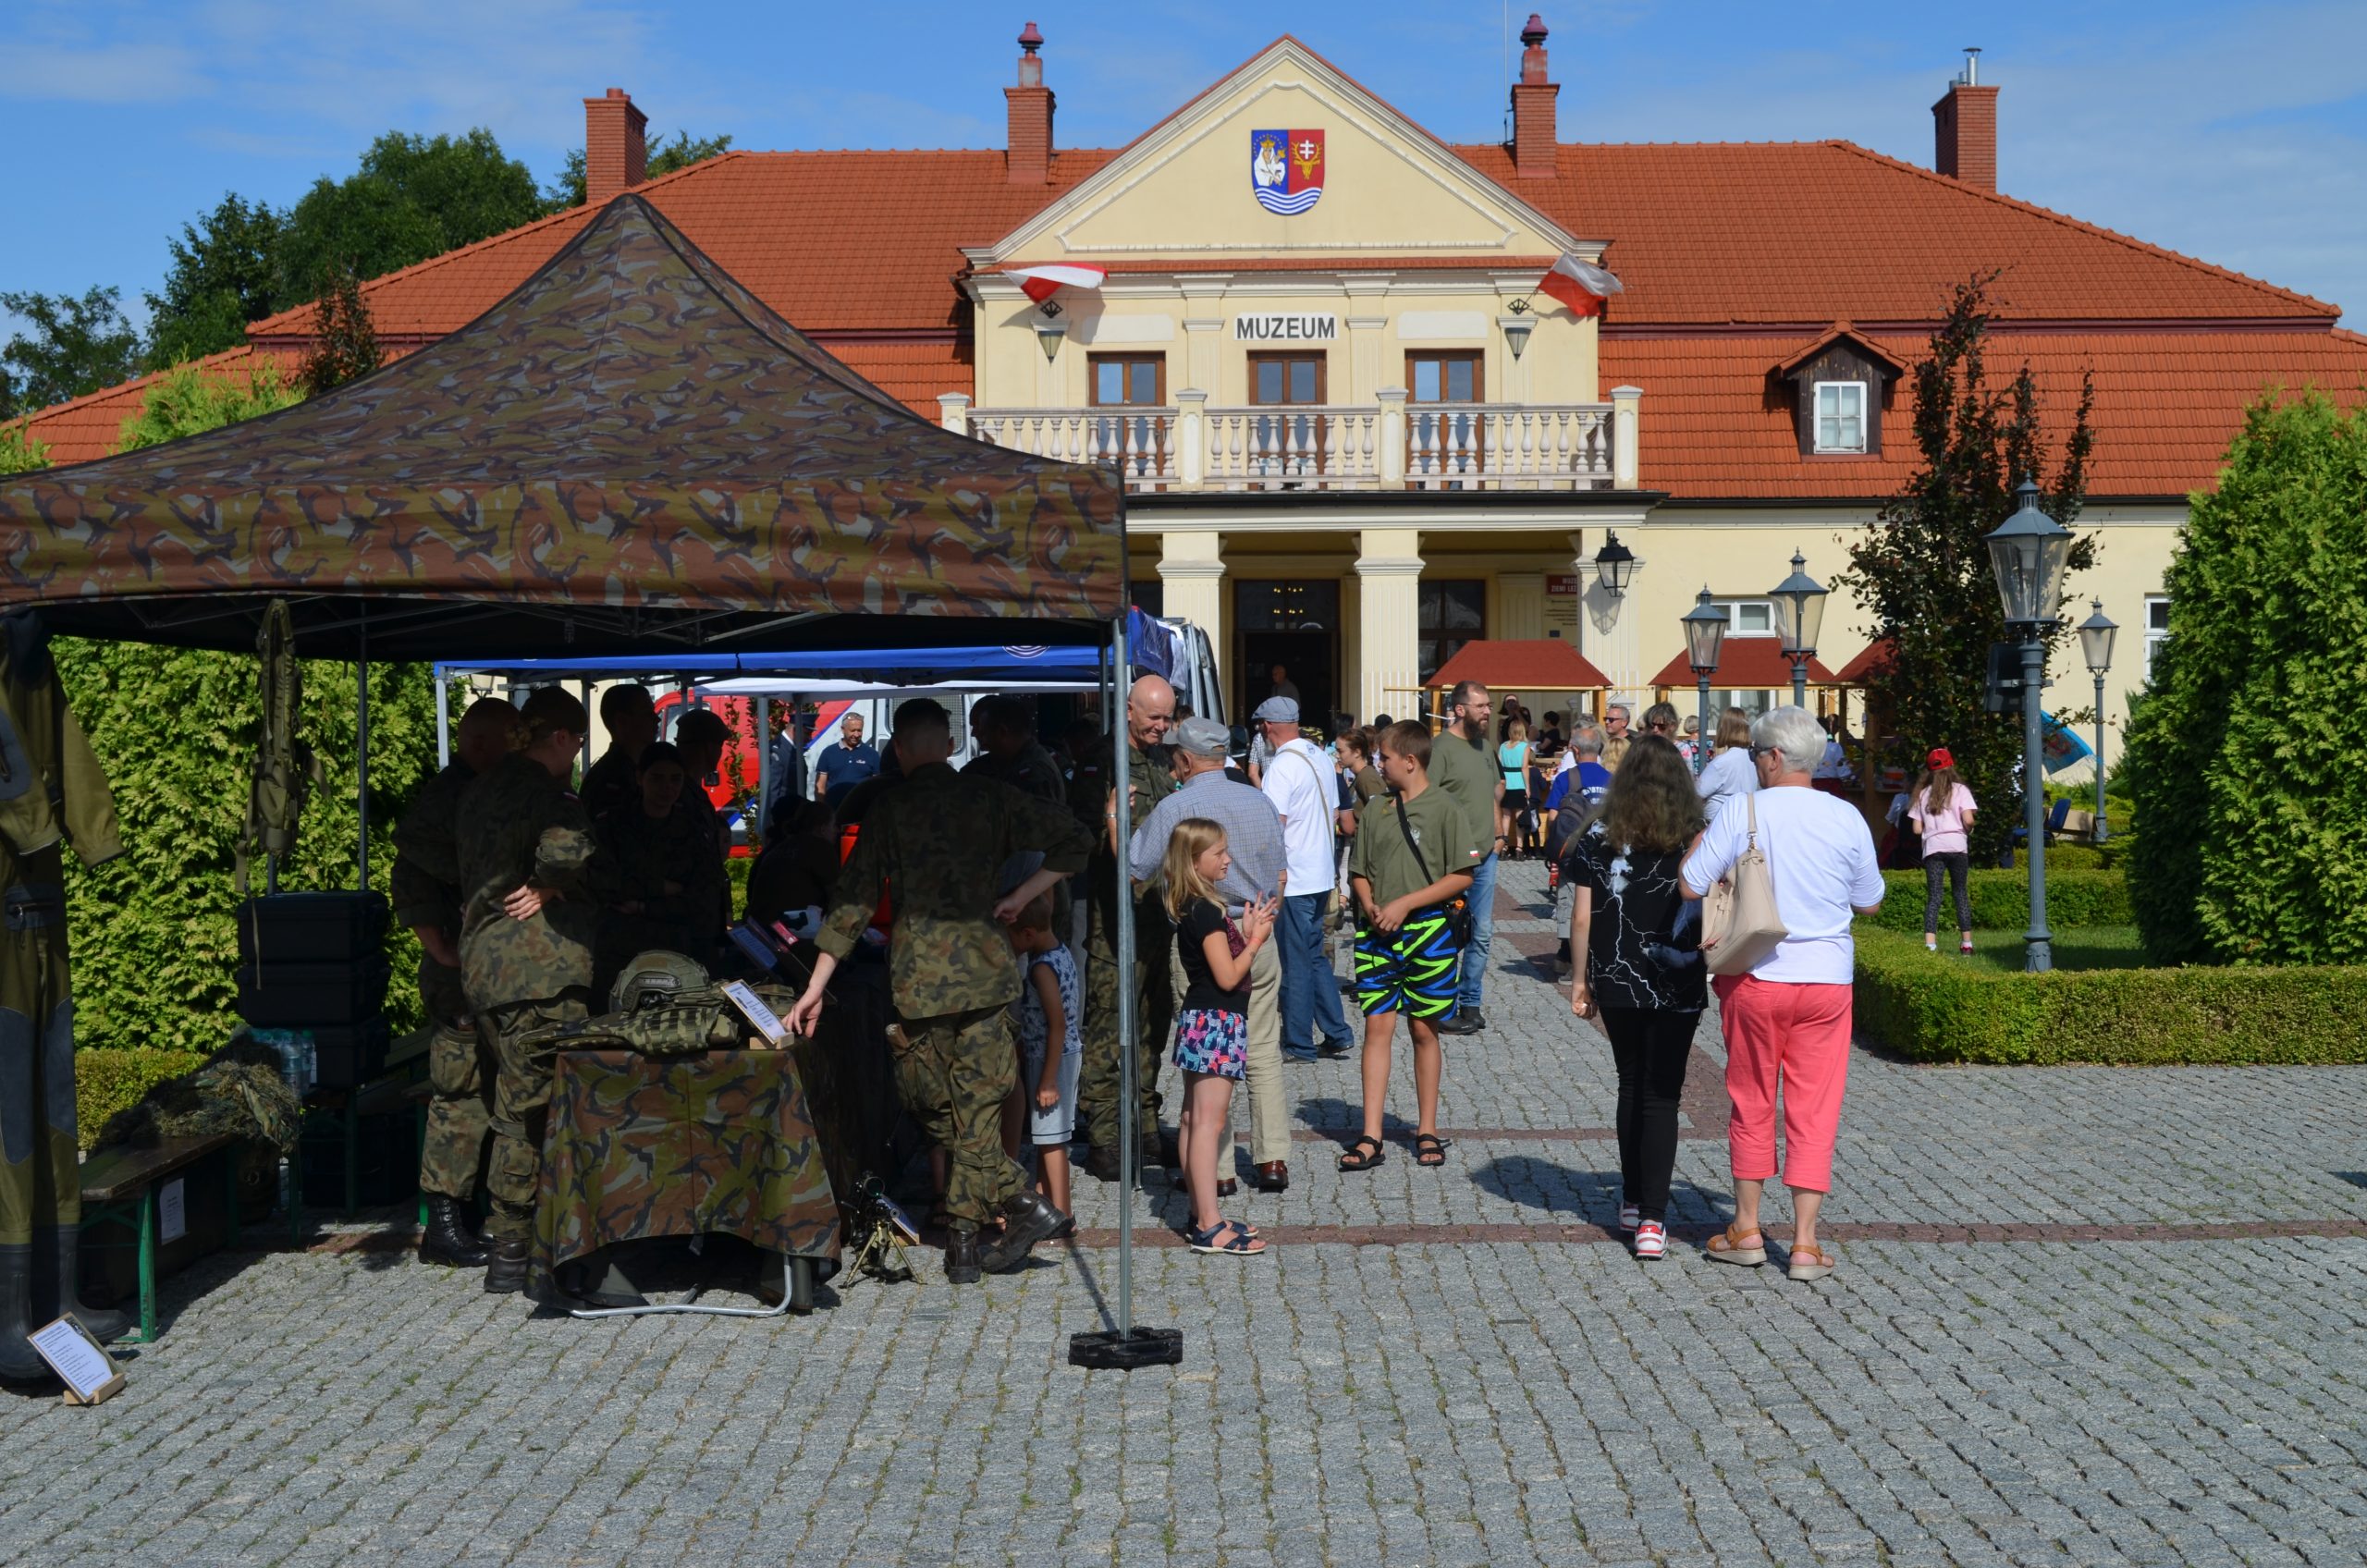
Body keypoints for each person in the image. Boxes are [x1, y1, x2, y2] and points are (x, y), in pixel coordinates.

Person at [786, 699, 1093, 1283]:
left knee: (940, 1112)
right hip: (988, 977)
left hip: (923, 985)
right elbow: (1074, 840)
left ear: (899, 750)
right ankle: (1002, 1215)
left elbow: (852, 902)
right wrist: (1022, 894)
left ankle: (967, 1241)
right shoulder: (991, 796)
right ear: (950, 744)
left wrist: (815, 986)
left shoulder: (890, 808)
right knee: (973, 1112)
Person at [1681, 705, 1884, 1283]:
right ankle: (1804, 1243)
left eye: (1755, 755)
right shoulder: (1845, 816)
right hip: (1826, 980)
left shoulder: (1744, 810)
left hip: (1756, 977)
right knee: (1815, 1108)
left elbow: (1691, 884)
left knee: (1751, 1100)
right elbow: (1870, 900)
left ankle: (1745, 1228)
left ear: (1771, 757)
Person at [458, 687, 600, 1294]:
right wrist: (548, 884)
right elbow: (567, 845)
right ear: (563, 739)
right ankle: (515, 1248)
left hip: (485, 971)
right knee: (527, 1113)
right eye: (577, 743)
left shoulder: (479, 788)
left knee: (508, 1103)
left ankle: (517, 1241)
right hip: (537, 972)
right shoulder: (549, 794)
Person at [1129, 717, 1292, 1192]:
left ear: (1184, 758)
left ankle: (1216, 1171)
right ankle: (1272, 1160)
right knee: (1262, 1048)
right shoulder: (1259, 800)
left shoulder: (1178, 805)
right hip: (1259, 926)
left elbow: (1136, 865)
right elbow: (1281, 873)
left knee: (1207, 1055)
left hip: (1209, 935)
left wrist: (1118, 819)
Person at [1566, 735, 1709, 1262]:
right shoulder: (1695, 835)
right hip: (1678, 975)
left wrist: (1580, 981)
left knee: (1630, 1083)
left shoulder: (1598, 835)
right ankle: (1653, 1219)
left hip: (1617, 976)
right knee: (1662, 1094)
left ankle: (1630, 1202)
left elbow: (1581, 917)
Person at [389, 695, 516, 1269]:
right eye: (509, 738)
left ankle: (472, 1212)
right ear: (481, 743)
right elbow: (411, 871)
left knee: (490, 1087)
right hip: (457, 971)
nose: (518, 748)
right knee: (460, 1089)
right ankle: (443, 1222)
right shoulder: (446, 799)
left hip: (484, 962)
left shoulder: (488, 791)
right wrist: (439, 949)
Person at [1340, 720, 1483, 1173]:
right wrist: (1370, 904)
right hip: (1376, 935)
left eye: (1384, 757)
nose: (1378, 764)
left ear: (1410, 760)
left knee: (1425, 1031)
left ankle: (1426, 1129)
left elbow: (1462, 875)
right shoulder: (1377, 808)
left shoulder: (1446, 809)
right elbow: (1358, 869)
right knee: (1376, 1029)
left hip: (1429, 933)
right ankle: (1371, 1134)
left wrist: (1404, 904)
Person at [1079, 675, 1178, 1181]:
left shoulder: (1163, 759)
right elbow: (1084, 837)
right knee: (1107, 1029)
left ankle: (1143, 1125)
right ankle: (1103, 1136)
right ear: (1130, 711)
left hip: (1157, 919)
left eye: (1168, 717)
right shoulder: (1106, 761)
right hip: (1114, 925)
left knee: (1151, 1025)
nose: (1162, 726)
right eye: (1154, 718)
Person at [1163, 819, 1277, 1256]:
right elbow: (1229, 976)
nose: (1227, 859)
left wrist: (1245, 935)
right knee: (1208, 1124)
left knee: (1194, 1120)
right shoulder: (1206, 910)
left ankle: (1201, 1214)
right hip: (1216, 1022)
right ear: (1195, 862)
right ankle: (1209, 1224)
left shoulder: (1195, 904)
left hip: (1202, 1019)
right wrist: (1256, 942)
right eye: (1219, 853)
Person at [1255, 697, 1356, 1066]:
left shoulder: (1281, 767)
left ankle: (1298, 1043)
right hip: (1318, 873)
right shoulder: (1319, 756)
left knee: (1295, 962)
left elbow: (1272, 828)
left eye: (1261, 727)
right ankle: (1338, 1032)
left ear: (1268, 726)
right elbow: (1332, 814)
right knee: (1314, 958)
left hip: (1293, 879)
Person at [593, 741, 728, 995]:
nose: (667, 788)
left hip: (678, 953)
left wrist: (643, 905)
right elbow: (604, 884)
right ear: (640, 778)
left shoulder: (695, 832)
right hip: (620, 953)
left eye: (675, 779)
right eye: (657, 778)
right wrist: (663, 887)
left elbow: (704, 902)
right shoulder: (611, 827)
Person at [1426, 680, 1502, 1035]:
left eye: (1489, 705)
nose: (1488, 711)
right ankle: (1441, 1004)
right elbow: (1428, 802)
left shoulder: (1485, 747)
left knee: (1481, 933)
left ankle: (1470, 1001)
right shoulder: (1440, 749)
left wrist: (1499, 834)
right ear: (1459, 709)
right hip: (1453, 859)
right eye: (1481, 706)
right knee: (1448, 933)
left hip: (1486, 856)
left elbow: (1490, 794)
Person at [1007, 892, 1081, 1218]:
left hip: (1052, 1058)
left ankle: (1062, 1216)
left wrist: (1048, 1078)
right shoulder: (1060, 951)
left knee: (1052, 1139)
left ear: (1027, 934)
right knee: (1046, 1133)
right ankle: (1045, 1197)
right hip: (1057, 1055)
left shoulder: (1041, 969)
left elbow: (1057, 1025)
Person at [1546, 723, 1615, 980]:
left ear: (1574, 750)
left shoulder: (1566, 778)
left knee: (1571, 907)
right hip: (1606, 852)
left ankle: (1572, 962)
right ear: (1598, 750)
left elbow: (1553, 818)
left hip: (1574, 853)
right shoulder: (1612, 778)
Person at [1908, 747, 1979, 953]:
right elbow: (1968, 819)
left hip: (1933, 849)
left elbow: (1916, 828)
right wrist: (1968, 829)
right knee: (1960, 893)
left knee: (1934, 896)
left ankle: (1930, 945)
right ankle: (1966, 944)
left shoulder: (1923, 794)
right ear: (1952, 766)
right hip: (1957, 846)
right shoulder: (1960, 790)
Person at [578, 682, 656, 826]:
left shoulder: (643, 769)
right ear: (622, 720)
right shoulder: (606, 779)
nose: (656, 719)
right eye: (647, 713)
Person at [1695, 707, 1759, 825]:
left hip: (1717, 821)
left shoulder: (1722, 762)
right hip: (1745, 819)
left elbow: (1698, 791)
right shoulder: (1753, 759)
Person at [815, 711, 882, 808]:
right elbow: (820, 786)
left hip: (861, 811)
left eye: (859, 730)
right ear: (843, 729)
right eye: (853, 730)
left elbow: (877, 786)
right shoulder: (828, 753)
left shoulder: (872, 754)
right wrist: (821, 810)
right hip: (834, 811)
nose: (856, 734)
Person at [1497, 718, 1533, 859]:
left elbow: (1499, 765)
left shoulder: (1503, 746)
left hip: (1506, 783)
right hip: (1518, 783)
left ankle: (1504, 847)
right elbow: (1524, 767)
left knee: (1506, 816)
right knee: (1519, 817)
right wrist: (1527, 787)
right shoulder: (1525, 746)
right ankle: (1519, 848)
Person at [1600, 703, 1635, 770]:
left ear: (1624, 722)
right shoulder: (1603, 744)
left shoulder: (1633, 744)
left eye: (1611, 719)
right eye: (1606, 719)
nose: (1607, 722)